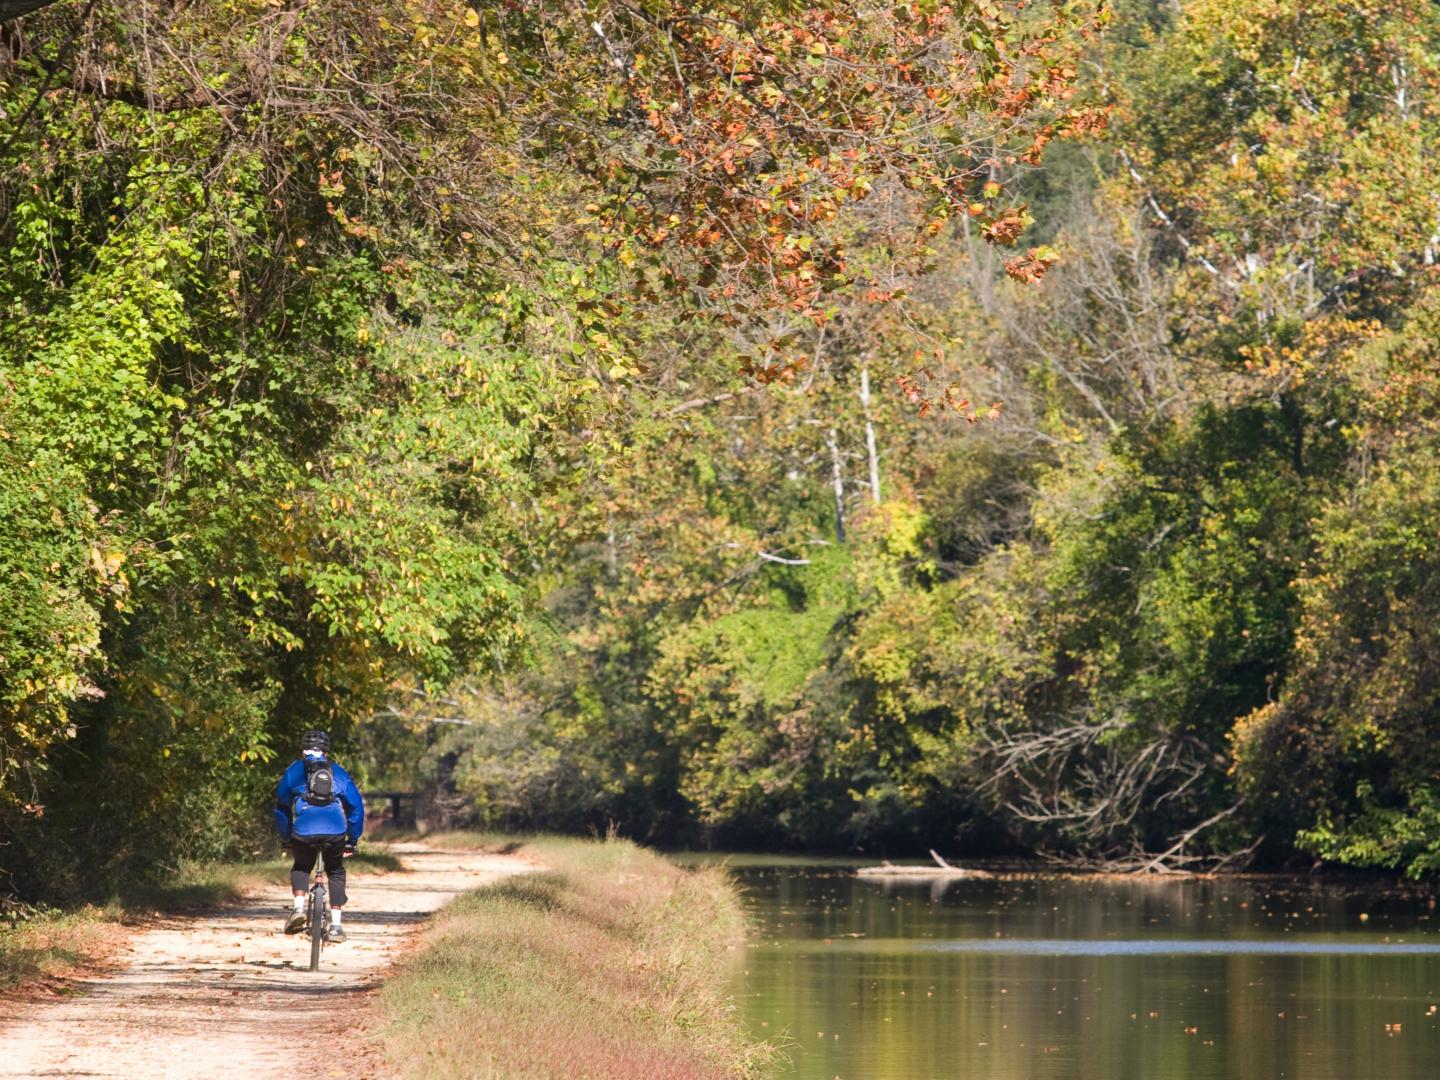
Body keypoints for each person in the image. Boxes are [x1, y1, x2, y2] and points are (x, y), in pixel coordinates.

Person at [273, 729, 365, 943]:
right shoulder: (338, 772)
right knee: (336, 871)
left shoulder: (294, 771)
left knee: (302, 867)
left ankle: (298, 908)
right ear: (326, 751)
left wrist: (286, 836)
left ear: (302, 749)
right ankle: (336, 926)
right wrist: (352, 839)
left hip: (304, 831)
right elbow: (356, 808)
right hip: (335, 832)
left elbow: (281, 807)